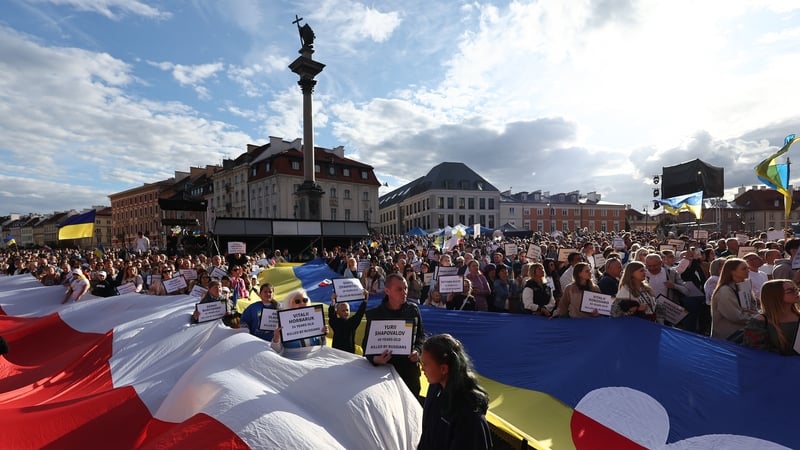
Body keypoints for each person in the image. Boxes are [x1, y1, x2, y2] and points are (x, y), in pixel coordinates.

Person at [418, 333, 492, 450]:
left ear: (443, 369)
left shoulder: (469, 413)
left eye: (425, 364)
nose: (422, 368)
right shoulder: (435, 388)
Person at [363, 273, 426, 398]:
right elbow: (366, 347)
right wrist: (376, 359)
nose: (404, 292)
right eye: (399, 289)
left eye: (405, 288)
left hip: (409, 375)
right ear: (387, 291)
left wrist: (417, 352)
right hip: (383, 376)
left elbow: (420, 337)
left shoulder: (413, 310)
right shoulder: (375, 315)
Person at [742, 279, 800, 355]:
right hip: (774, 365)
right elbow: (754, 350)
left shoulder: (798, 316)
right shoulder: (760, 322)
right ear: (775, 296)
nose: (796, 292)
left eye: (796, 289)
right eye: (790, 291)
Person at [711, 258, 758, 340]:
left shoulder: (745, 286)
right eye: (744, 269)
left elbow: (752, 307)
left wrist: (754, 314)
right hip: (728, 337)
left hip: (744, 333)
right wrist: (758, 318)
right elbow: (736, 316)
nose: (748, 271)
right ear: (732, 272)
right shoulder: (724, 291)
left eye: (747, 268)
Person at [272, 289, 328, 355]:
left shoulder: (316, 319)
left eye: (305, 300)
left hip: (315, 359)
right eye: (297, 301)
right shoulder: (282, 323)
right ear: (289, 304)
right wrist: (276, 338)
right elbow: (275, 352)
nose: (302, 303)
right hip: (293, 361)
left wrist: (323, 336)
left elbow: (322, 346)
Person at [329, 289, 368, 353]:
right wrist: (333, 301)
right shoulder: (335, 323)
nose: (345, 312)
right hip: (336, 353)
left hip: (349, 353)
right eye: (343, 311)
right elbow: (331, 316)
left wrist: (365, 300)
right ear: (337, 312)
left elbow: (359, 314)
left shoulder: (352, 323)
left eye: (347, 310)